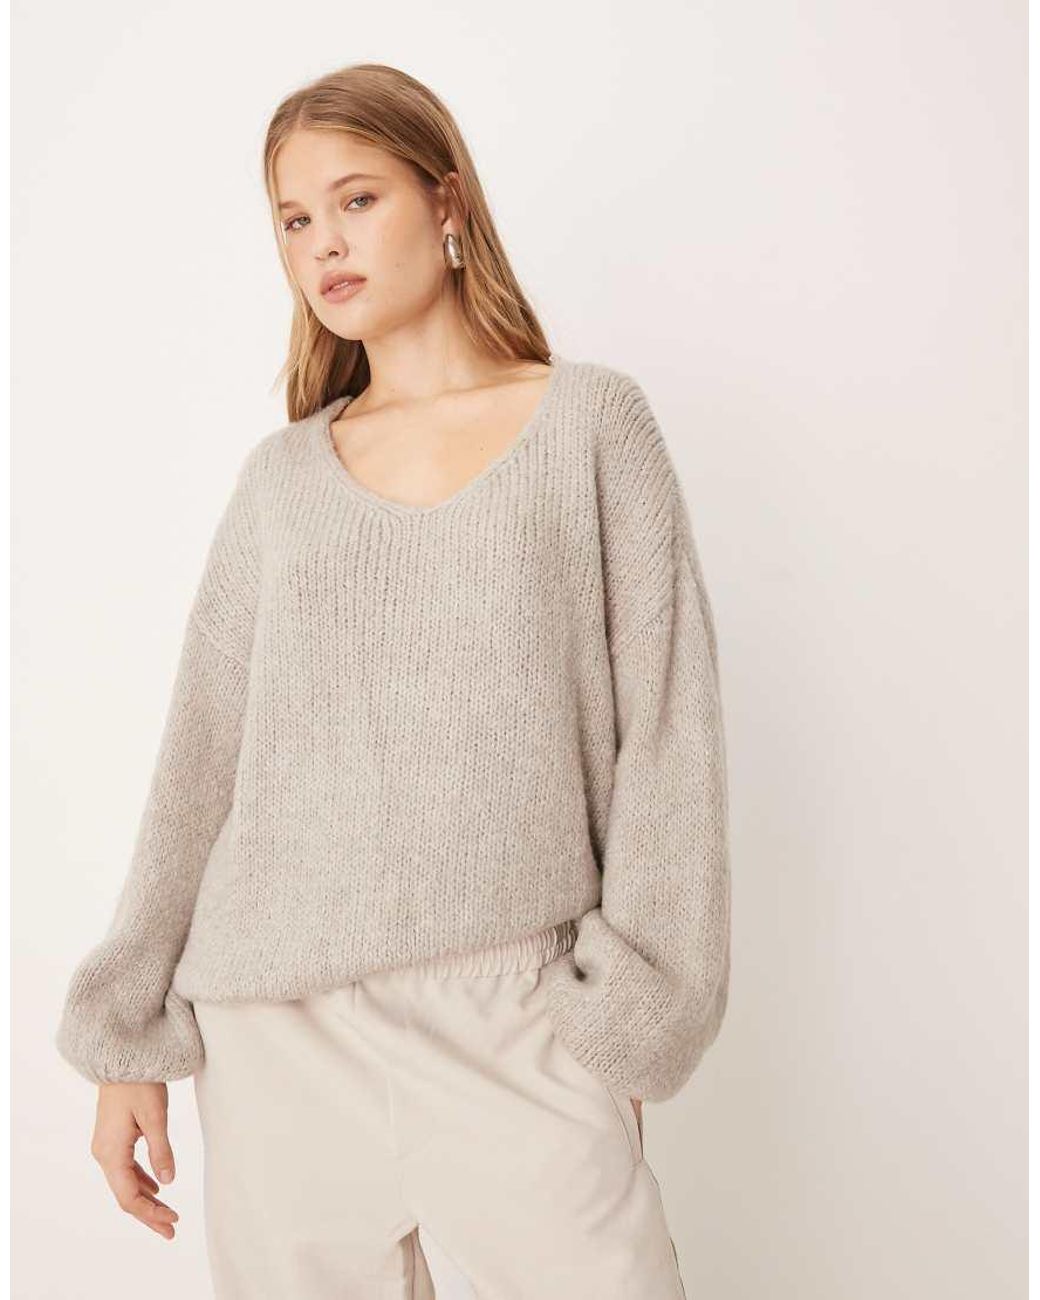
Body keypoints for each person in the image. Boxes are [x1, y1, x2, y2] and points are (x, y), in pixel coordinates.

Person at [55, 61, 731, 1298]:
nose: (322, 244)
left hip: (517, 1013)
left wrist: (628, 1023)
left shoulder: (590, 426)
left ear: (447, 201)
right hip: (276, 1038)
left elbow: (666, 736)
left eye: (356, 200)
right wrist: (124, 1036)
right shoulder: (279, 482)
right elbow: (198, 764)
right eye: (293, 219)